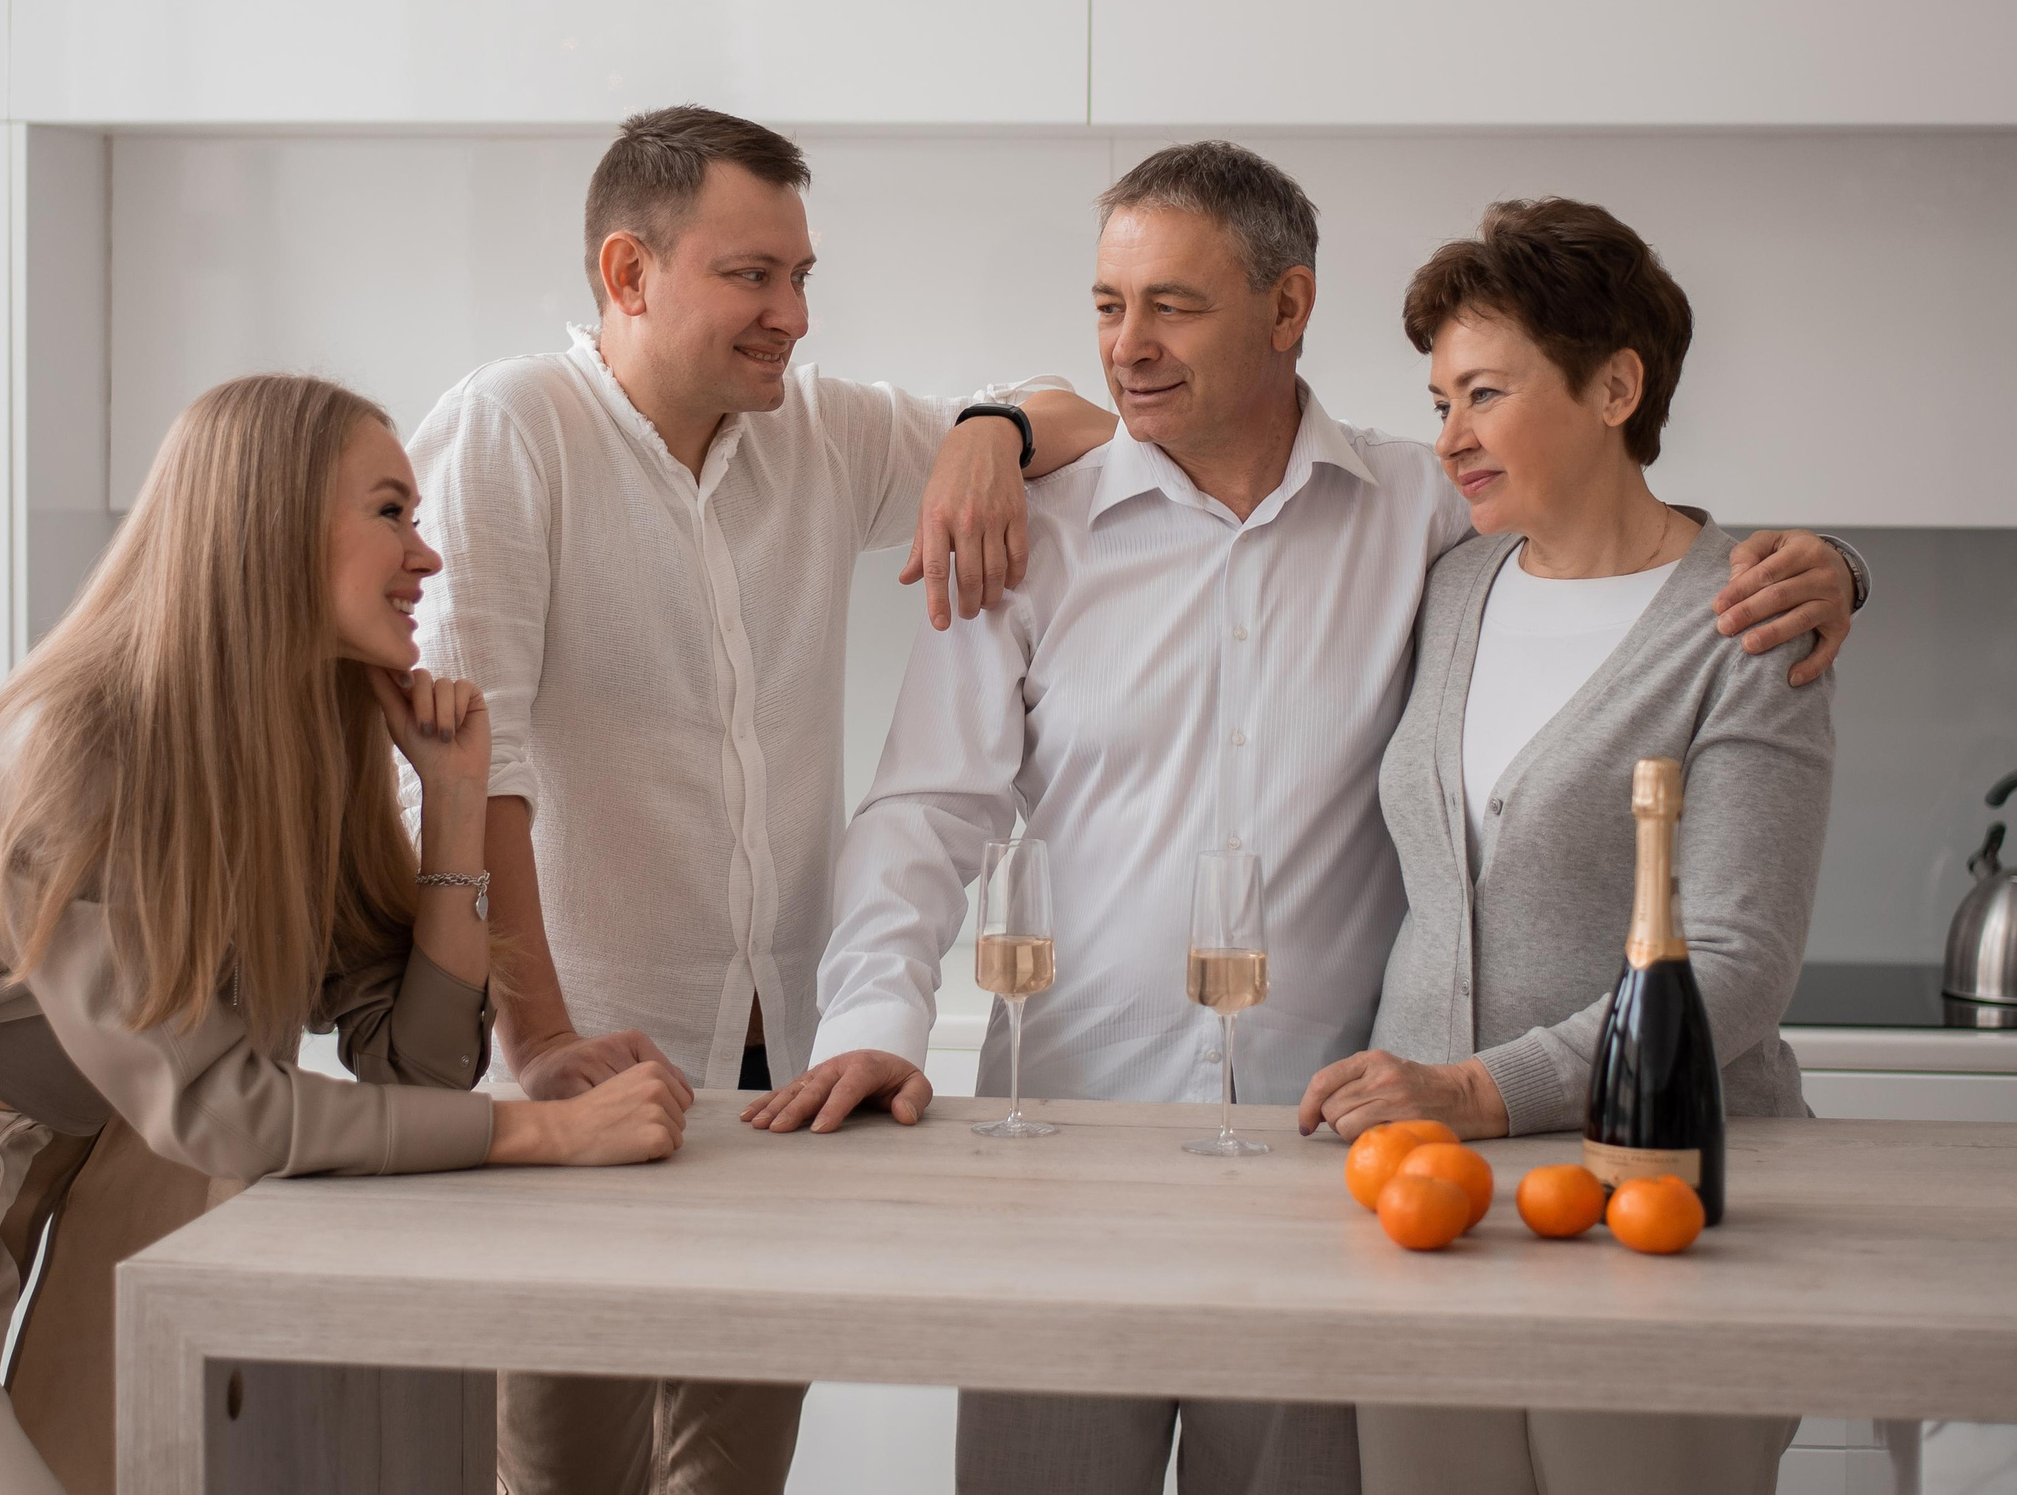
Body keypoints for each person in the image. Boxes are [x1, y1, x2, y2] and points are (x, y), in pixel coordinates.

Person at [747, 143, 1861, 1495]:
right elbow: (929, 809)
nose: (1127, 347)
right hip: (1069, 1147)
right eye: (1107, 306)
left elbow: (1626, 554)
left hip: (1331, 1166)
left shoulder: (1428, 517)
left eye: (1174, 305)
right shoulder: (1033, 524)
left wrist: (1837, 569)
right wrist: (874, 1023)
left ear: (1288, 309)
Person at [0, 375, 691, 1495]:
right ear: (264, 521)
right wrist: (545, 1135)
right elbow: (223, 1110)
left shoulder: (303, 749)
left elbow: (414, 1061)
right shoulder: (77, 751)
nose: (424, 555)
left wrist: (456, 806)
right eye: (389, 512)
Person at [406, 104, 1117, 1495]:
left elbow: (1085, 424)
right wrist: (540, 1042)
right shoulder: (512, 430)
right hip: (579, 1073)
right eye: (753, 276)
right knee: (565, 1478)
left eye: (802, 278)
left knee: (733, 1478)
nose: (793, 314)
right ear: (629, 273)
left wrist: (986, 428)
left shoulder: (820, 435)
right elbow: (473, 771)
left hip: (774, 1070)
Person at [1298, 199, 1830, 1495]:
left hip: (1656, 1203)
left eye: (1484, 392)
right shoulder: (1452, 583)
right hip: (1430, 1204)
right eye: (1437, 399)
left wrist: (1474, 1089)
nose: (1450, 438)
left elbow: (1740, 970)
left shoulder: (1747, 621)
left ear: (1615, 385)